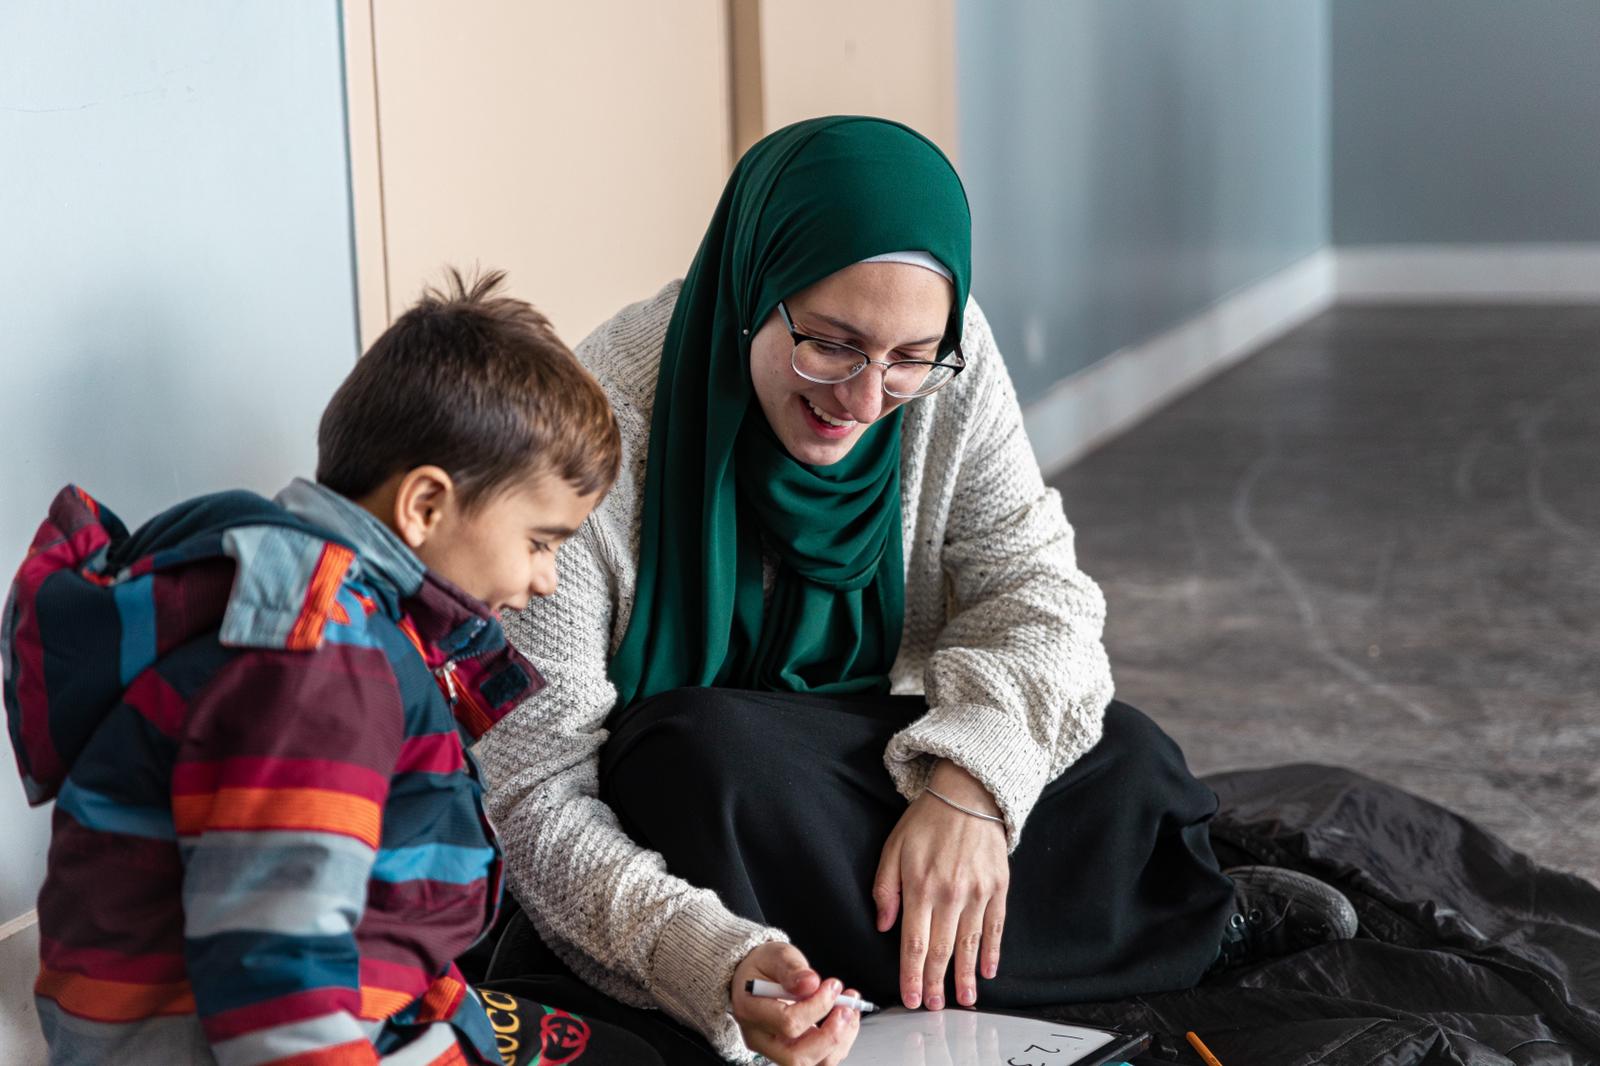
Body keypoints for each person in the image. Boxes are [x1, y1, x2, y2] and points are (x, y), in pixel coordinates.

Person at [475, 117, 1358, 1066]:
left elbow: (1042, 595)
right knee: (694, 760)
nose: (864, 400)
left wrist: (969, 788)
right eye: (830, 345)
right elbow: (533, 794)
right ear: (753, 289)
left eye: (906, 359)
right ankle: (1163, 927)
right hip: (723, 810)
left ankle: (901, 949)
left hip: (874, 752)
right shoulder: (601, 425)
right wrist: (715, 961)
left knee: (1130, 755)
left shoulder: (950, 368)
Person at [1, 272, 665, 1065]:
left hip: (352, 995)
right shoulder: (323, 661)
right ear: (425, 506)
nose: (547, 578)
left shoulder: (340, 613)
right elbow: (274, 966)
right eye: (541, 542)